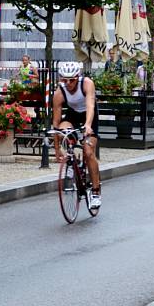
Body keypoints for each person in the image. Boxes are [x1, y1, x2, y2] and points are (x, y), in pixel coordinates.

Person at [51, 61, 101, 209]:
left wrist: (88, 125)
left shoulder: (86, 83)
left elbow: (91, 105)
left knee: (88, 150)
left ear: (77, 77)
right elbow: (56, 121)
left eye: (71, 80)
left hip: (89, 115)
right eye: (64, 80)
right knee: (62, 131)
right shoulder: (59, 93)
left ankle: (96, 191)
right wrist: (56, 147)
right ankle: (72, 160)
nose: (68, 83)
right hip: (73, 115)